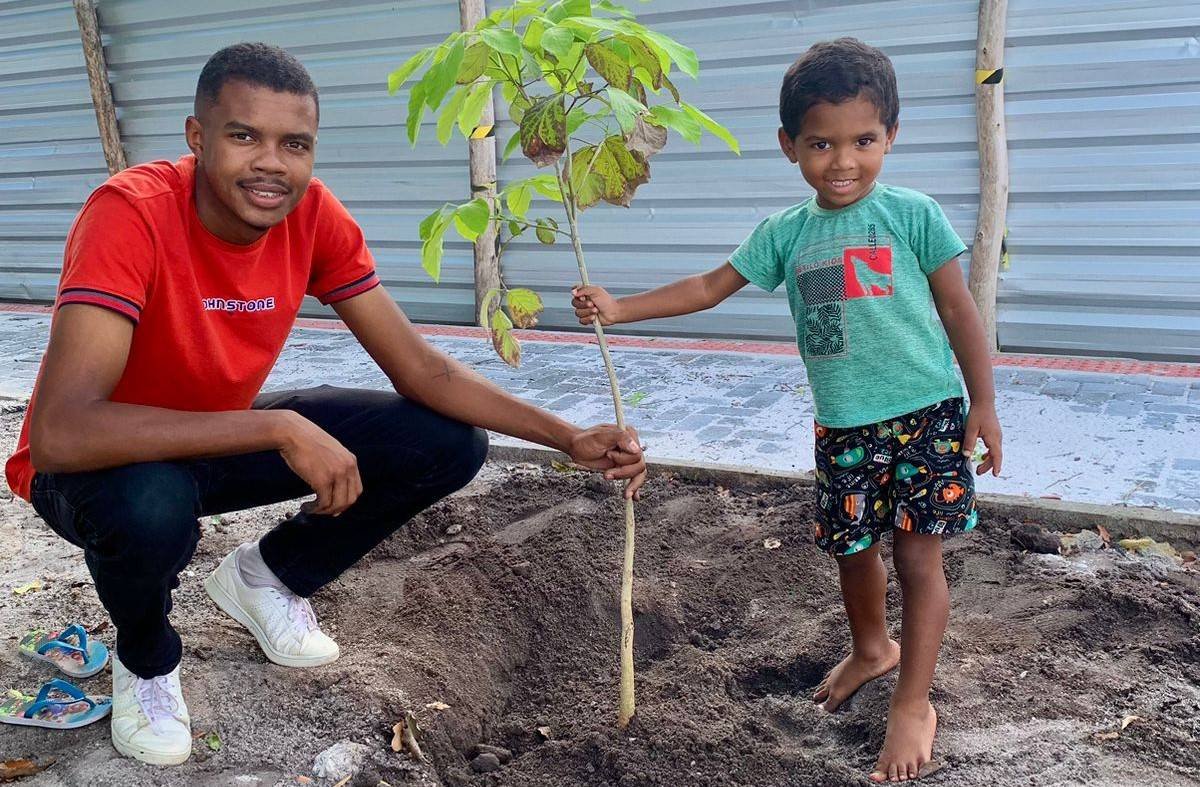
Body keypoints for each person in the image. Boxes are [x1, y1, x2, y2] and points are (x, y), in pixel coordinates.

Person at [5, 42, 645, 767]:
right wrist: (279, 426)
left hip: (212, 438)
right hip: (94, 467)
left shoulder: (312, 216)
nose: (271, 164)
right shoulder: (132, 214)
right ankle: (147, 662)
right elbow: (62, 432)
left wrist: (566, 436)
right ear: (197, 137)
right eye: (244, 136)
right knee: (151, 508)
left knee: (447, 442)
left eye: (295, 144)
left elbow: (421, 369)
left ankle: (265, 578)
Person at [570, 37, 1002, 783]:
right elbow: (709, 287)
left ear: (891, 137)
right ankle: (872, 649)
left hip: (927, 417)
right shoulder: (786, 233)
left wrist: (984, 401)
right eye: (821, 144)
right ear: (789, 146)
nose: (843, 162)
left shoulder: (915, 215)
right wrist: (619, 307)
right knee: (852, 550)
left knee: (917, 557)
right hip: (844, 426)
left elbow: (960, 310)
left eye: (864, 141)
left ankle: (912, 702)